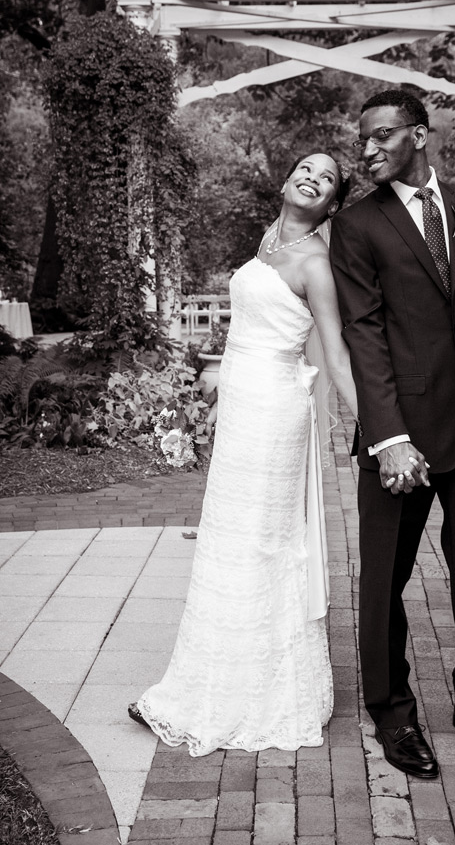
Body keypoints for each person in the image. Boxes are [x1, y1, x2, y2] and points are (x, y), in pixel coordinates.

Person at [329, 89, 455, 779]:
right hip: (402, 437)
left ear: (420, 135)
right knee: (384, 581)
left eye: (384, 136)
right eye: (365, 141)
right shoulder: (357, 225)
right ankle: (392, 714)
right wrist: (388, 437)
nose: (370, 149)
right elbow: (363, 334)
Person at [128, 152, 357, 755]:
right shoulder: (267, 242)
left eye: (327, 177)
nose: (313, 177)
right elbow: (250, 326)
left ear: (332, 202)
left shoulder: (316, 262)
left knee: (261, 540)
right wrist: (213, 384)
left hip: (277, 411)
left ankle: (262, 692)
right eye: (306, 168)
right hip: (240, 405)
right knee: (228, 538)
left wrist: (379, 427)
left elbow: (334, 352)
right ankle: (205, 679)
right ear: (286, 181)